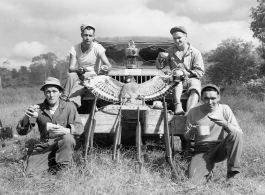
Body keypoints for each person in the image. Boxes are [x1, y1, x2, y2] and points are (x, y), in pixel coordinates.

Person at [16, 77, 84, 175]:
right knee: (31, 173)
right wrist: (27, 116)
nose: (51, 95)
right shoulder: (37, 109)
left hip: (64, 145)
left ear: (60, 92)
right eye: (48, 92)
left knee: (67, 138)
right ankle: (51, 163)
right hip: (45, 147)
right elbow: (22, 132)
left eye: (54, 91)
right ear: (44, 93)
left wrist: (66, 130)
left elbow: (79, 128)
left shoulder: (69, 107)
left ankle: (63, 168)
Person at [184, 84, 243, 182]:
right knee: (193, 181)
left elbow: (238, 132)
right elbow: (186, 136)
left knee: (236, 135)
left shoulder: (224, 109)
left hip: (219, 148)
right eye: (206, 98)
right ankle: (208, 172)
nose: (210, 102)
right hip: (201, 150)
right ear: (201, 98)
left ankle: (232, 175)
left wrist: (225, 124)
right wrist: (191, 132)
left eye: (213, 98)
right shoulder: (193, 112)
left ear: (219, 97)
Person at [156, 26, 204, 115]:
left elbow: (200, 72)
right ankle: (178, 105)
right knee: (177, 77)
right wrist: (160, 58)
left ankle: (189, 112)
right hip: (175, 80)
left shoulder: (195, 52)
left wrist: (185, 73)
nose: (177, 40)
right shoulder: (169, 51)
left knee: (195, 86)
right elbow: (160, 67)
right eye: (174, 38)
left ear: (186, 36)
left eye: (179, 38)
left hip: (190, 78)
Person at [63, 23, 112, 107]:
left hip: (93, 75)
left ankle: (71, 103)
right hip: (80, 73)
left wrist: (106, 68)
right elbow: (71, 67)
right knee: (71, 75)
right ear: (81, 35)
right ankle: (63, 98)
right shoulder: (74, 48)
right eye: (85, 35)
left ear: (93, 37)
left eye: (90, 35)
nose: (88, 38)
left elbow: (108, 64)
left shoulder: (98, 47)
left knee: (80, 81)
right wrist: (77, 70)